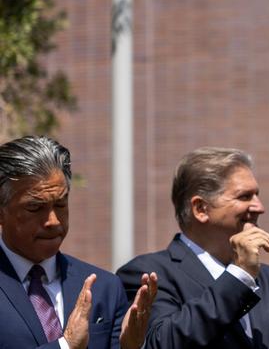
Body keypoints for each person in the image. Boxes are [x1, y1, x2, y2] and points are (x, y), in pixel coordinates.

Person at [116, 147, 269, 348]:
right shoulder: (148, 274)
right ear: (201, 209)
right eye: (245, 196)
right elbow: (163, 343)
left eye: (257, 195)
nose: (259, 207)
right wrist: (239, 277)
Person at [0, 136, 157, 349]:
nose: (53, 221)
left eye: (61, 205)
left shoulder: (104, 288)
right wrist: (66, 346)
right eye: (35, 208)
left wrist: (132, 346)